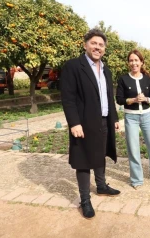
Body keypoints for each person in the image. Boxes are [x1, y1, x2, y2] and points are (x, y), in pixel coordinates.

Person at [61, 28, 121, 219]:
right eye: (94, 43)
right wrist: (74, 122)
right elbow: (68, 98)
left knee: (100, 153)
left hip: (104, 120)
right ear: (85, 44)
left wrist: (115, 119)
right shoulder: (73, 66)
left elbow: (108, 97)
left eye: (101, 45)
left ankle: (101, 186)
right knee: (84, 160)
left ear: (105, 49)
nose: (97, 47)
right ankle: (85, 200)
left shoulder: (106, 70)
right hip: (83, 123)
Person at [116, 49, 150, 189]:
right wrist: (133, 100)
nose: (134, 63)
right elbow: (119, 99)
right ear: (128, 63)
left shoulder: (147, 79)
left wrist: (146, 98)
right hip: (131, 117)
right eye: (131, 60)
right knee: (133, 148)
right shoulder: (123, 79)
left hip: (147, 115)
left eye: (136, 60)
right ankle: (136, 180)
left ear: (141, 62)